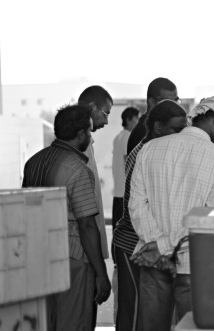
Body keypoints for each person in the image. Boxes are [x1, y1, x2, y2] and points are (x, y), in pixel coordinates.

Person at [129, 96, 214, 330]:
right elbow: (207, 221)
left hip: (152, 260)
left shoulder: (149, 149)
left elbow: (135, 205)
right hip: (193, 266)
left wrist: (157, 246)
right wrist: (165, 247)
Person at [22, 104, 111, 331]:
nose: (91, 139)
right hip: (72, 259)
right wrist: (101, 275)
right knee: (74, 322)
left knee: (48, 323)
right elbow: (87, 226)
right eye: (90, 133)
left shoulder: (34, 162)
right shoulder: (78, 170)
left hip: (39, 257)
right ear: (80, 134)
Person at [113, 101, 187, 331]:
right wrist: (159, 245)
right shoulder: (143, 154)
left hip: (153, 245)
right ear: (157, 128)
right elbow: (138, 207)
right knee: (134, 314)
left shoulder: (163, 152)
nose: (181, 135)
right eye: (176, 129)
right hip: (134, 243)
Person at [78, 85, 113, 327]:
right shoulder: (77, 150)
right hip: (82, 255)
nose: (107, 120)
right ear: (91, 109)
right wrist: (101, 272)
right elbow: (86, 218)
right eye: (106, 112)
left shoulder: (86, 145)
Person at [127, 77, 179, 154]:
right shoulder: (143, 133)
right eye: (168, 102)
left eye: (176, 101)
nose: (174, 107)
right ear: (152, 102)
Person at [112, 107, 140, 236]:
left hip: (118, 190)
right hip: (125, 192)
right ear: (128, 120)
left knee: (118, 230)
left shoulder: (118, 136)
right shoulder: (127, 137)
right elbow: (127, 161)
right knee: (125, 233)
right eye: (136, 119)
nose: (138, 122)